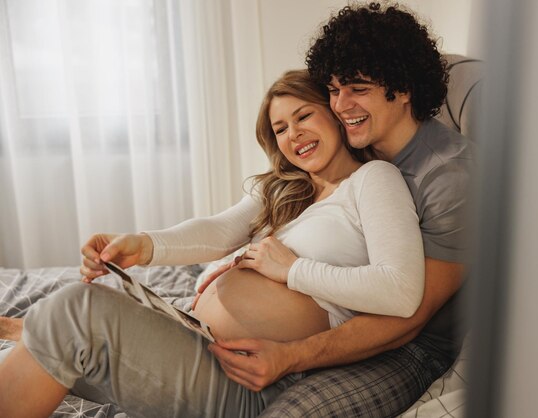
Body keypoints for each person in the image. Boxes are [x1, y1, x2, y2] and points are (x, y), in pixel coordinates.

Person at [0, 69, 426, 417]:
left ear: (334, 115)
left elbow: (401, 290)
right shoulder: (285, 189)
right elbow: (218, 230)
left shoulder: (372, 181)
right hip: (199, 339)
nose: (293, 134)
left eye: (303, 117)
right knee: (67, 321)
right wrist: (141, 245)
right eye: (280, 128)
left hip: (248, 378)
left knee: (75, 309)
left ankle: (37, 329)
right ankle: (35, 331)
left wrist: (291, 269)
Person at [202, 3, 474, 417]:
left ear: (402, 89)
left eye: (357, 88)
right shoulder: (358, 145)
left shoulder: (448, 178)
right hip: (338, 314)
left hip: (408, 347)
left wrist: (291, 355)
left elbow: (408, 317)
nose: (340, 105)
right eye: (332, 90)